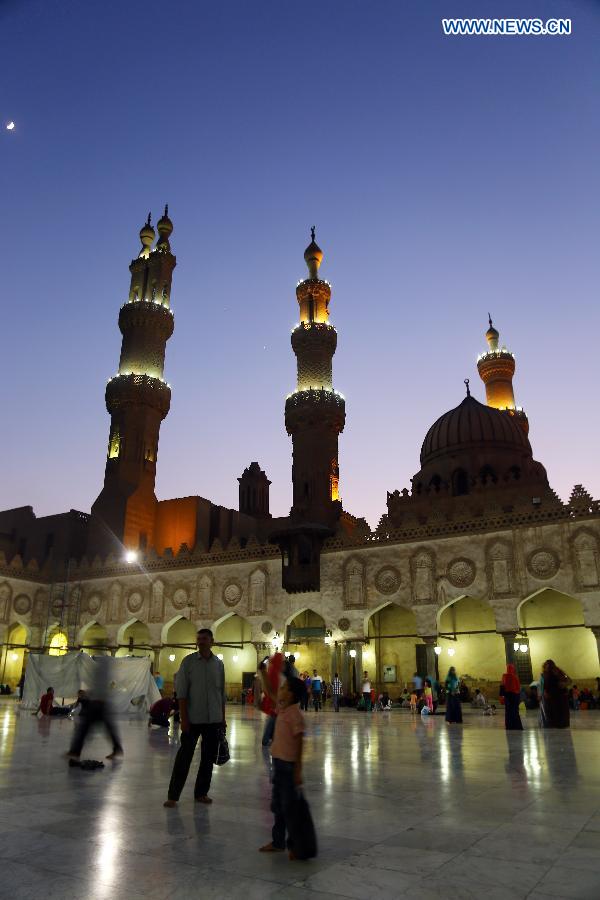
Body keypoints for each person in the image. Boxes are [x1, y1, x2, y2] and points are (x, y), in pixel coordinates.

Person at [164, 628, 226, 807]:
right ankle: (173, 795)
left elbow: (221, 693)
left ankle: (201, 793)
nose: (201, 642)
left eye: (205, 639)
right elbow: (181, 693)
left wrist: (222, 718)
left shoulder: (218, 664)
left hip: (213, 719)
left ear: (212, 641)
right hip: (193, 719)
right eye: (199, 639)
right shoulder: (188, 662)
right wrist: (184, 719)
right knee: (184, 757)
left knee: (207, 759)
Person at [258, 674, 305, 857]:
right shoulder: (282, 707)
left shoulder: (294, 715)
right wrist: (263, 673)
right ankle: (278, 842)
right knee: (278, 806)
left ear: (292, 695)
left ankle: (296, 845)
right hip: (278, 764)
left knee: (289, 808)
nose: (280, 690)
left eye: (284, 688)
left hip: (288, 766)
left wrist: (298, 769)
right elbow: (270, 692)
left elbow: (300, 741)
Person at [66, 657, 124, 760]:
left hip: (99, 703)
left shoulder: (102, 669)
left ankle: (75, 751)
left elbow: (101, 685)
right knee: (104, 728)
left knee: (84, 728)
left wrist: (96, 697)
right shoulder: (104, 669)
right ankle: (117, 749)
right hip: (100, 703)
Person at [540, 659, 570, 729]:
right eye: (546, 665)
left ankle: (559, 724)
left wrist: (564, 684)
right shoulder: (545, 674)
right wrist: (544, 692)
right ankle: (556, 724)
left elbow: (568, 680)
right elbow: (544, 685)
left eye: (548, 665)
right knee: (554, 711)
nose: (547, 667)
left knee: (559, 710)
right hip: (552, 695)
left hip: (559, 695)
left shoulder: (557, 671)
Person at [500, 664, 523, 730]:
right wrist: (519, 698)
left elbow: (502, 686)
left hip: (507, 696)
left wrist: (501, 696)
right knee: (515, 711)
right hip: (515, 696)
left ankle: (509, 726)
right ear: (513, 669)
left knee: (508, 712)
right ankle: (517, 726)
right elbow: (518, 688)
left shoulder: (504, 676)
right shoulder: (515, 677)